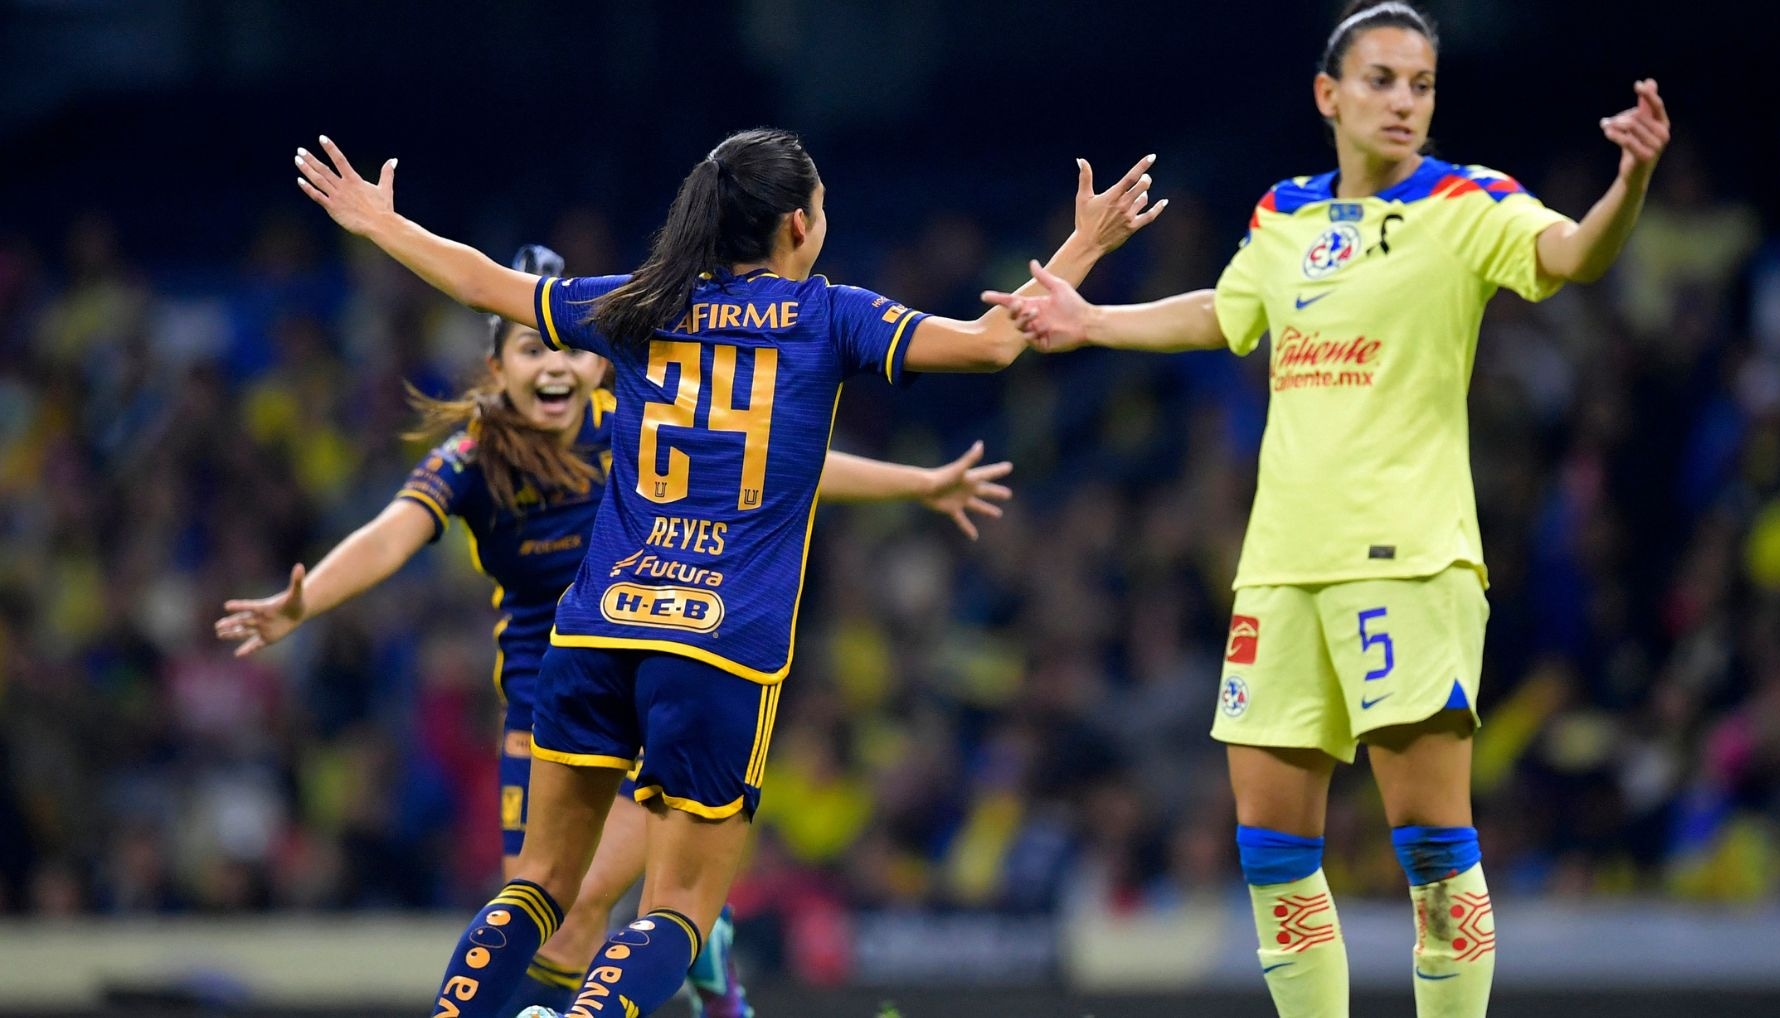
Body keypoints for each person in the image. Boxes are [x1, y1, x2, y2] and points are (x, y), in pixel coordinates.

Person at [293, 125, 1163, 1017]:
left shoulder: (639, 303)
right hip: (717, 648)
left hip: (593, 633)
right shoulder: (832, 315)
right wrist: (1085, 244)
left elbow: (484, 282)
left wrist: (379, 224)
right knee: (677, 908)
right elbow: (992, 343)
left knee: (540, 884)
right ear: (798, 224)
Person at [984, 3, 1670, 1015]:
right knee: (1272, 852)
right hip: (1280, 566)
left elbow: (1573, 256)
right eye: (1381, 80)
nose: (1404, 101)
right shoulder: (1284, 213)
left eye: (1420, 84)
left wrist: (1632, 181)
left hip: (1410, 560)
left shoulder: (1468, 202)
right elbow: (1226, 312)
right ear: (1328, 94)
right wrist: (1091, 320)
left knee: (1432, 846)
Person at [214, 246, 1019, 1018]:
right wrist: (305, 602)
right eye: (530, 351)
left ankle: (676, 944)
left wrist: (919, 484)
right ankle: (699, 949)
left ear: (599, 360)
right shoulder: (472, 459)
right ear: (497, 368)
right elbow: (392, 534)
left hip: (647, 678)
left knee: (586, 899)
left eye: (566, 350)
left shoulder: (633, 422)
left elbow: (778, 459)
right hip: (546, 706)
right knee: (552, 915)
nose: (554, 367)